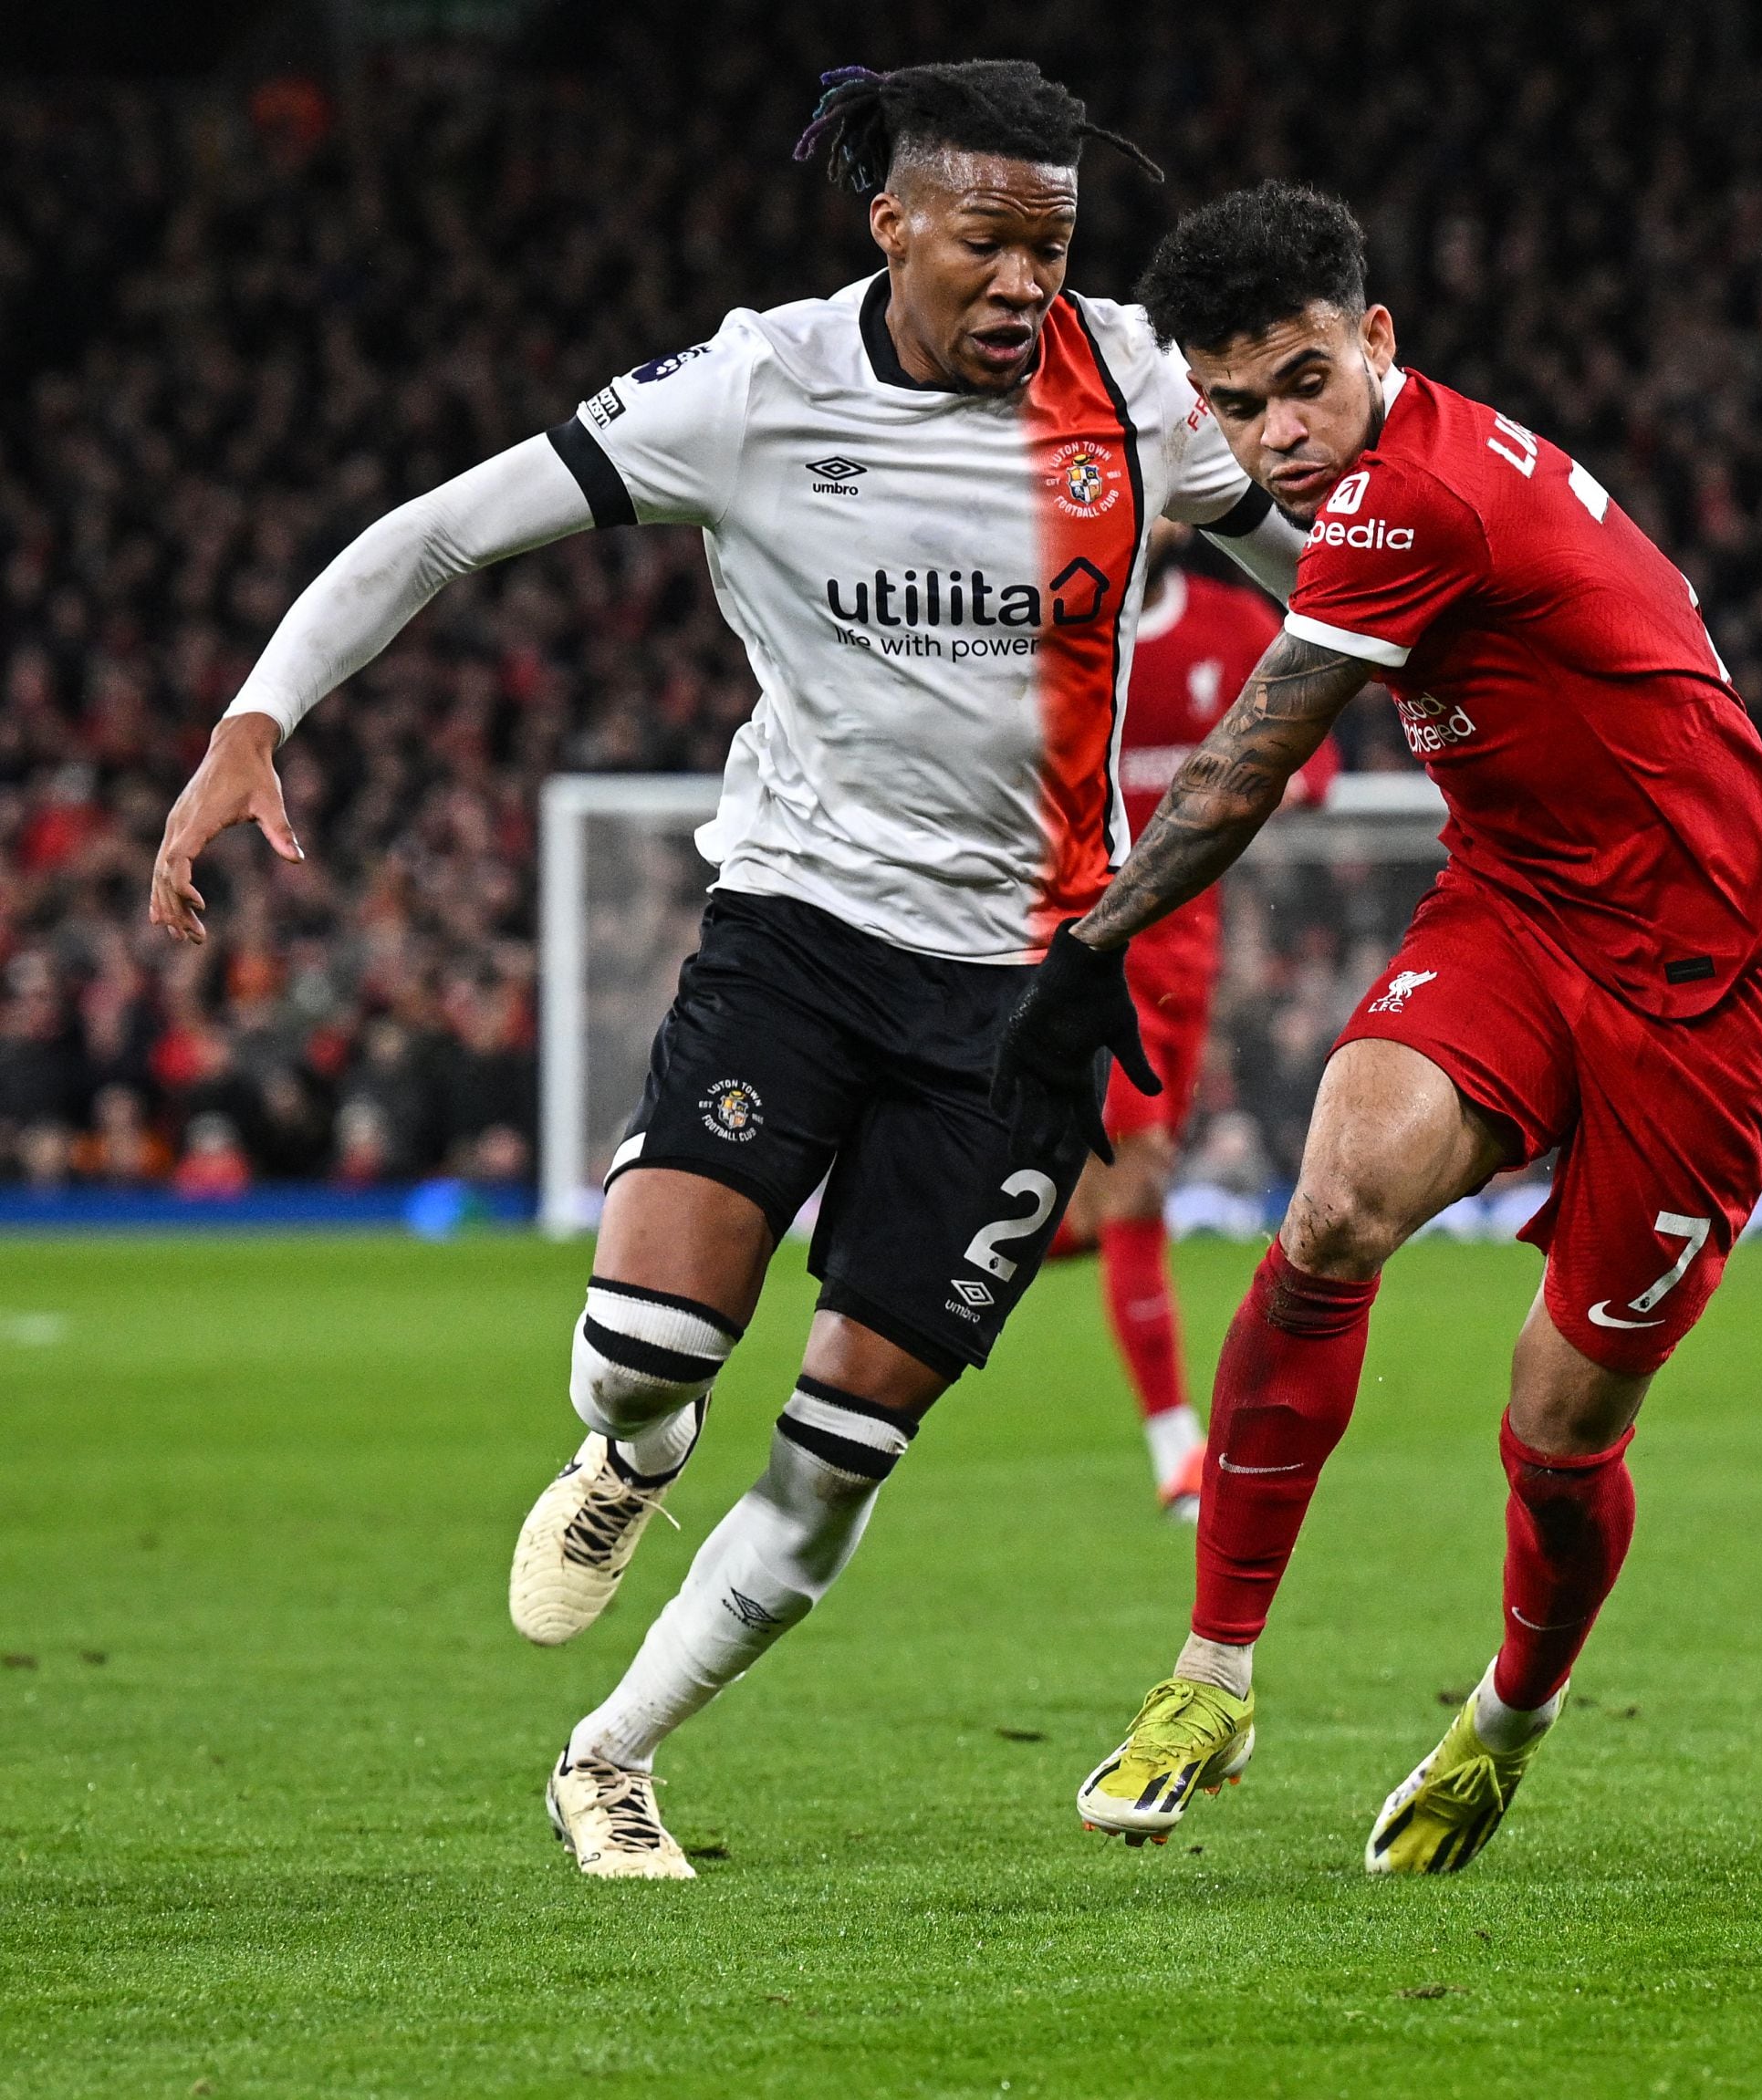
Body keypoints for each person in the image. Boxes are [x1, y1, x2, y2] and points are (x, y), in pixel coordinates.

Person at [146, 62, 1300, 1879]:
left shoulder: (1140, 385)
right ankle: (631, 1452)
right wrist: (254, 717)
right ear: (891, 224)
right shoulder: (754, 388)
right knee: (645, 1350)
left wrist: (1469, 664)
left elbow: (1326, 570)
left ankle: (608, 1757)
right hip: (800, 935)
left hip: (1025, 992)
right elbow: (443, 528)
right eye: (988, 242)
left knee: (842, 1452)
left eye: (1055, 247)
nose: (1026, 282)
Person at [985, 182, 1762, 1874]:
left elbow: (1246, 763)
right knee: (1334, 1207)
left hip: (1705, 975)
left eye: (1304, 383)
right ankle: (1210, 1677)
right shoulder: (1371, 482)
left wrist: (1087, 951)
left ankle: (1506, 1718)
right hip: (1518, 902)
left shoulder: (1415, 496)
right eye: (1236, 405)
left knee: (1558, 1432)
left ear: (1376, 340)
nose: (1277, 435)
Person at [1048, 518, 1332, 1521]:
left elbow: (1315, 761)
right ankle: (1177, 1448)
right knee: (1138, 1178)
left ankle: (946, 1247)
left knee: (1102, 1203)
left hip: (1190, 954)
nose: (1162, 513)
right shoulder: (1056, 635)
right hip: (1084, 947)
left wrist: (1247, 791)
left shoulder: (1232, 622)